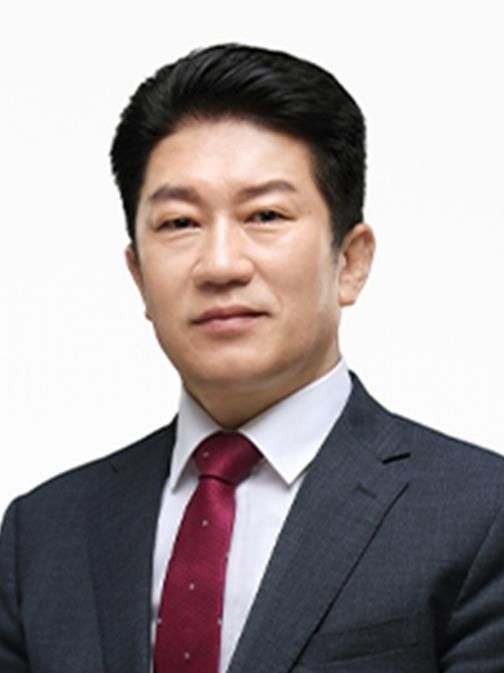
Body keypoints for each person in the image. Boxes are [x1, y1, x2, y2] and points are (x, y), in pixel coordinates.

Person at [1, 42, 503, 673]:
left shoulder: (481, 515)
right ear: (139, 276)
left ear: (350, 262)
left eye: (265, 214)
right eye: (179, 223)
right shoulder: (42, 535)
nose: (220, 265)